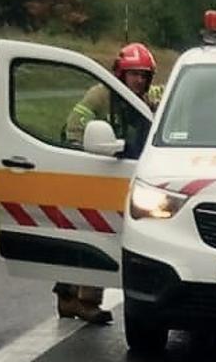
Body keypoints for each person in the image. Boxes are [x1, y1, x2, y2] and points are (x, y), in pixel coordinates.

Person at [58, 42, 162, 324]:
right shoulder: (100, 95)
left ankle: (71, 297)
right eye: (133, 74)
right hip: (97, 170)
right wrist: (85, 157)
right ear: (120, 74)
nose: (138, 80)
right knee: (95, 234)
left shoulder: (148, 98)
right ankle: (82, 300)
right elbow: (75, 125)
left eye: (143, 75)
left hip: (129, 171)